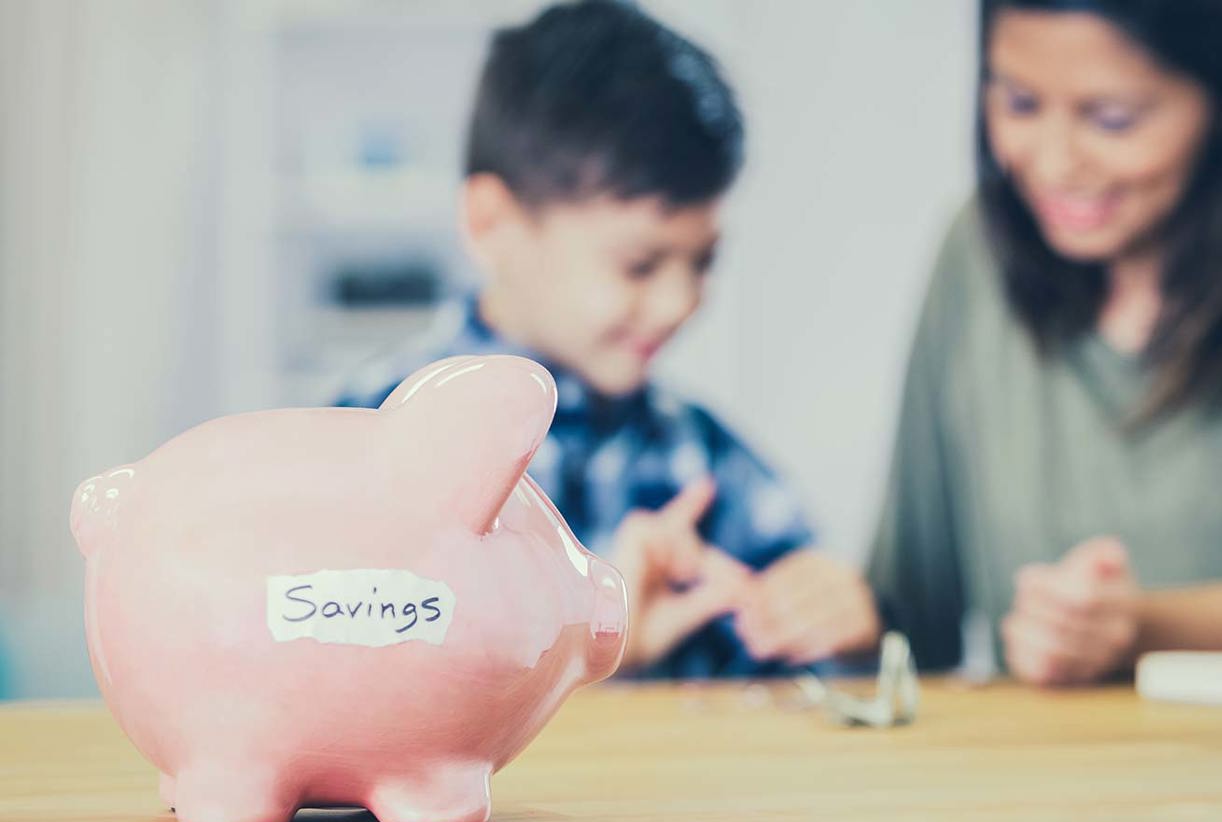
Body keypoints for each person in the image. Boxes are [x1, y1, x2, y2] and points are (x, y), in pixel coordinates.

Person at [733, 0, 1222, 685]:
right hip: (1033, 751)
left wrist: (1141, 628)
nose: (1052, 165)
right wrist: (846, 617)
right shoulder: (974, 251)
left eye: (1112, 119)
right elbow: (915, 616)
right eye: (1019, 104)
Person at [334, 1, 865, 678]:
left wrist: (834, 621)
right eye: (639, 265)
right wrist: (590, 656)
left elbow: (813, 665)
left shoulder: (701, 459)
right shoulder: (364, 439)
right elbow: (337, 688)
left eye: (702, 262)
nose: (680, 303)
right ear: (492, 223)